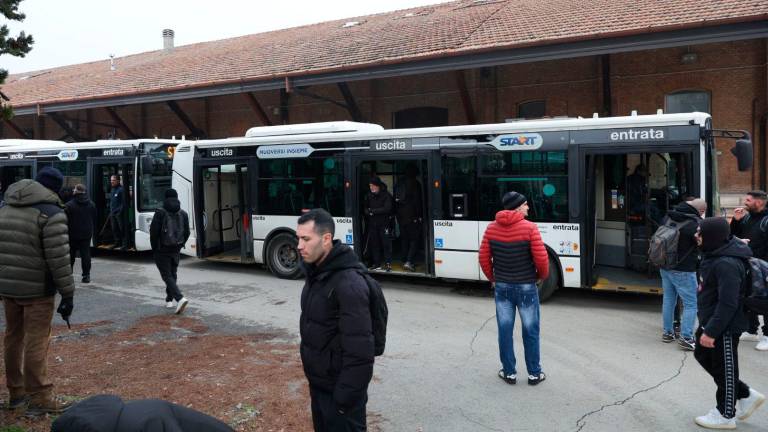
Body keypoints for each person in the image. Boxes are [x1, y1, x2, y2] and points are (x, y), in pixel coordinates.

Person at [0, 166, 75, 414]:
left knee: (13, 338)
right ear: (55, 188)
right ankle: (40, 396)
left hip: (8, 287)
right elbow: (59, 260)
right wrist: (68, 294)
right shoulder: (51, 213)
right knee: (36, 341)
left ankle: (16, 393)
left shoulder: (5, 207)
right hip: (37, 291)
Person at [297, 208, 374, 432]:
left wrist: (344, 400)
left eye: (306, 239)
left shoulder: (349, 284)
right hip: (321, 387)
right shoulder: (317, 274)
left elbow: (361, 351)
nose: (299, 245)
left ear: (327, 238)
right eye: (298, 238)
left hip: (341, 399)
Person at [693, 217, 765, 429]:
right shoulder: (715, 252)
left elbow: (728, 303)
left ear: (712, 236)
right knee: (702, 354)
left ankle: (725, 415)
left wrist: (712, 331)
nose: (696, 236)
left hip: (724, 325)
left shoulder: (726, 263)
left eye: (700, 233)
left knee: (725, 368)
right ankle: (745, 394)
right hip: (712, 319)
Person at [479, 191, 549, 386]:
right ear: (518, 207)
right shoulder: (530, 228)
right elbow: (542, 259)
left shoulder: (491, 228)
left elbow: (483, 258)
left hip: (502, 287)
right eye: (525, 204)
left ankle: (509, 372)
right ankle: (534, 373)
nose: (528, 207)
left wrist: (494, 278)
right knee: (531, 330)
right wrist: (540, 277)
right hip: (526, 286)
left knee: (504, 330)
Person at [659, 198, 705, 350]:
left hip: (664, 265)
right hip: (684, 269)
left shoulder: (668, 216)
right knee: (691, 304)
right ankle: (686, 337)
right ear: (701, 211)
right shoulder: (694, 224)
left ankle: (667, 333)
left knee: (669, 299)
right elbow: (702, 245)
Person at [730, 190, 768, 351]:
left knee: (765, 302)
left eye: (748, 200)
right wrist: (736, 222)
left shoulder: (765, 220)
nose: (745, 202)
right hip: (747, 265)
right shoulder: (747, 217)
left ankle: (766, 336)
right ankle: (751, 329)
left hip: (764, 268)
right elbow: (733, 236)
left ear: (758, 202)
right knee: (747, 297)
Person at [149, 188, 191, 314]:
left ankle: (179, 298)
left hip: (162, 249)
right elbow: (187, 232)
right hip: (176, 248)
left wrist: (155, 248)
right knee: (172, 274)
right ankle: (169, 300)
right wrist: (180, 244)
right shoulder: (183, 213)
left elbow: (154, 233)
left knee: (167, 275)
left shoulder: (160, 212)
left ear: (165, 198)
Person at [65, 184, 96, 283]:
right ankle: (86, 276)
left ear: (76, 192)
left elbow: (65, 220)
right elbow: (94, 217)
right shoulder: (91, 204)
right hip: (86, 233)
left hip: (72, 233)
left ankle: (69, 276)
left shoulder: (69, 205)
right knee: (85, 254)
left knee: (71, 255)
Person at [394, 164, 423, 272]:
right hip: (412, 216)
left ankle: (404, 258)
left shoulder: (398, 183)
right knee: (414, 239)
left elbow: (395, 201)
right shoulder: (415, 184)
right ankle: (409, 262)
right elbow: (417, 202)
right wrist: (419, 216)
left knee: (404, 238)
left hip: (401, 216)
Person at [364, 176, 393, 272]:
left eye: (372, 186)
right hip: (373, 224)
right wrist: (369, 212)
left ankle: (388, 263)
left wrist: (372, 211)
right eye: (369, 186)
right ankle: (377, 263)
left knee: (386, 244)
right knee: (375, 244)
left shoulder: (386, 195)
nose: (371, 187)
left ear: (378, 186)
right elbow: (365, 209)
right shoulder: (369, 195)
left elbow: (387, 209)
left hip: (384, 224)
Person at [108, 175, 127, 250]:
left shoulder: (121, 190)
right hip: (112, 213)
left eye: (113, 180)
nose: (111, 182)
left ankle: (124, 244)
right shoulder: (112, 190)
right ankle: (117, 243)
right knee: (114, 229)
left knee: (121, 229)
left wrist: (119, 212)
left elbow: (124, 202)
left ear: (118, 181)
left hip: (119, 214)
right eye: (111, 180)